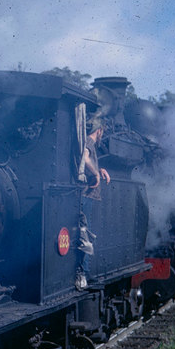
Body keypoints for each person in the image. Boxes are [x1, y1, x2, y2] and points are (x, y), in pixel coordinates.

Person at [76, 117, 110, 290]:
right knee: (84, 234)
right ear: (100, 130)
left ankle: (85, 271)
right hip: (86, 195)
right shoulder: (90, 140)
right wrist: (96, 174)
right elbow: (85, 156)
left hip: (88, 196)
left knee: (86, 233)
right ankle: (83, 273)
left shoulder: (88, 141)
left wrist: (99, 169)